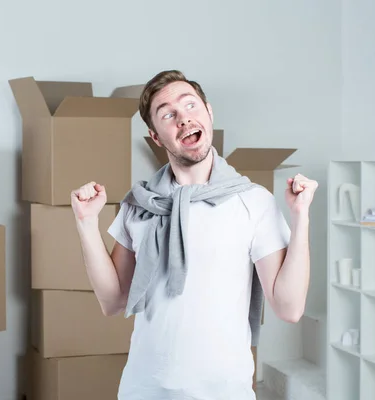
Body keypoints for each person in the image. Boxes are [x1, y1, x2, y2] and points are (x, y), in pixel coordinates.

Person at [70, 70, 318, 400]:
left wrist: (301, 218)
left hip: (223, 392)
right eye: (168, 114)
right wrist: (86, 224)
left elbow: (289, 308)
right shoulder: (142, 204)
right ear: (156, 136)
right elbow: (113, 301)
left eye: (190, 105)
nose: (184, 119)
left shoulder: (252, 200)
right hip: (144, 389)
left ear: (208, 113)